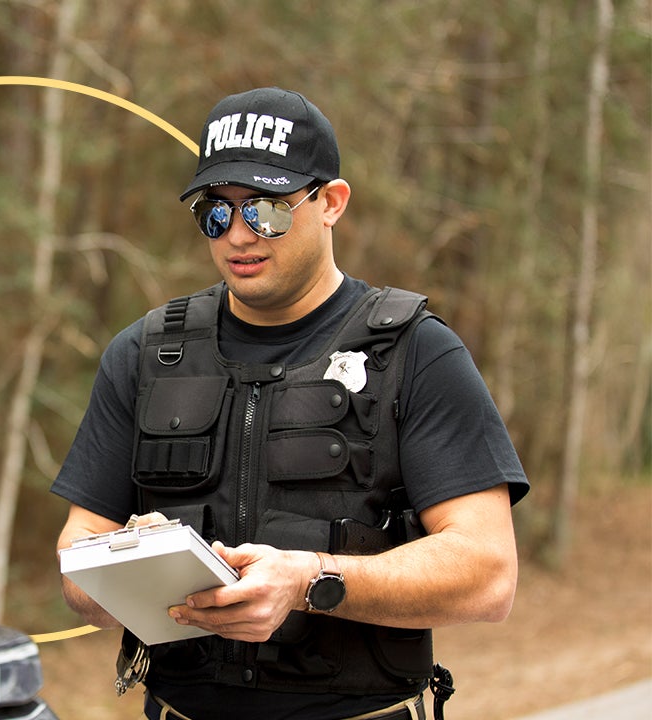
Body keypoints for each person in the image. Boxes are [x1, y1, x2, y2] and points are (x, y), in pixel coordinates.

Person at [52, 87, 529, 720]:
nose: (238, 236)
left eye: (267, 210)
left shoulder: (417, 353)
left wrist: (310, 582)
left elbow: (487, 573)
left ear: (330, 202)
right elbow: (76, 558)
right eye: (215, 214)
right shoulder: (144, 354)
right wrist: (130, 562)